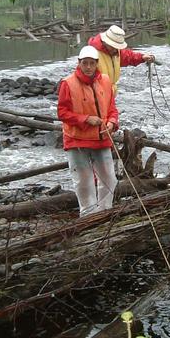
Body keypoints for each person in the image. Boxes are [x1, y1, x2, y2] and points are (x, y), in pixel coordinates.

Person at [57, 45, 119, 216]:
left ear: (97, 63)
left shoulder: (105, 81)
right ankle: (88, 215)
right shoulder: (67, 84)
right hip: (76, 140)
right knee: (84, 183)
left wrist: (112, 122)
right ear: (79, 63)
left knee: (109, 179)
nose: (89, 67)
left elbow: (112, 108)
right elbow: (62, 113)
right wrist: (85, 119)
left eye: (92, 63)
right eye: (85, 63)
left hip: (102, 138)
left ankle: (105, 212)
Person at [88, 25, 155, 93]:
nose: (115, 49)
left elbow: (128, 56)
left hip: (109, 94)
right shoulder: (91, 54)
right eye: (113, 46)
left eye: (117, 47)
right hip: (97, 95)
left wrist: (142, 57)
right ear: (105, 42)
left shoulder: (115, 51)